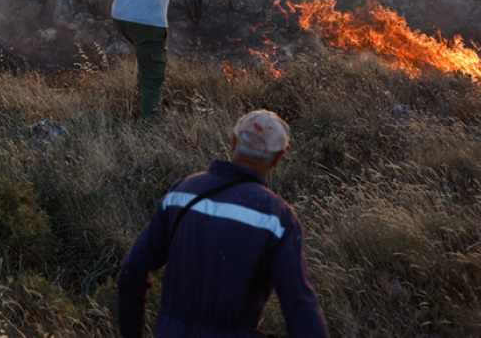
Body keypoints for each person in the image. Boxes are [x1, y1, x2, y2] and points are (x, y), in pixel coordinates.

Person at [116, 110, 329, 338]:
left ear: (233, 141)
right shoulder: (276, 218)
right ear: (278, 158)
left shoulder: (181, 193)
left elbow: (132, 271)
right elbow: (299, 305)